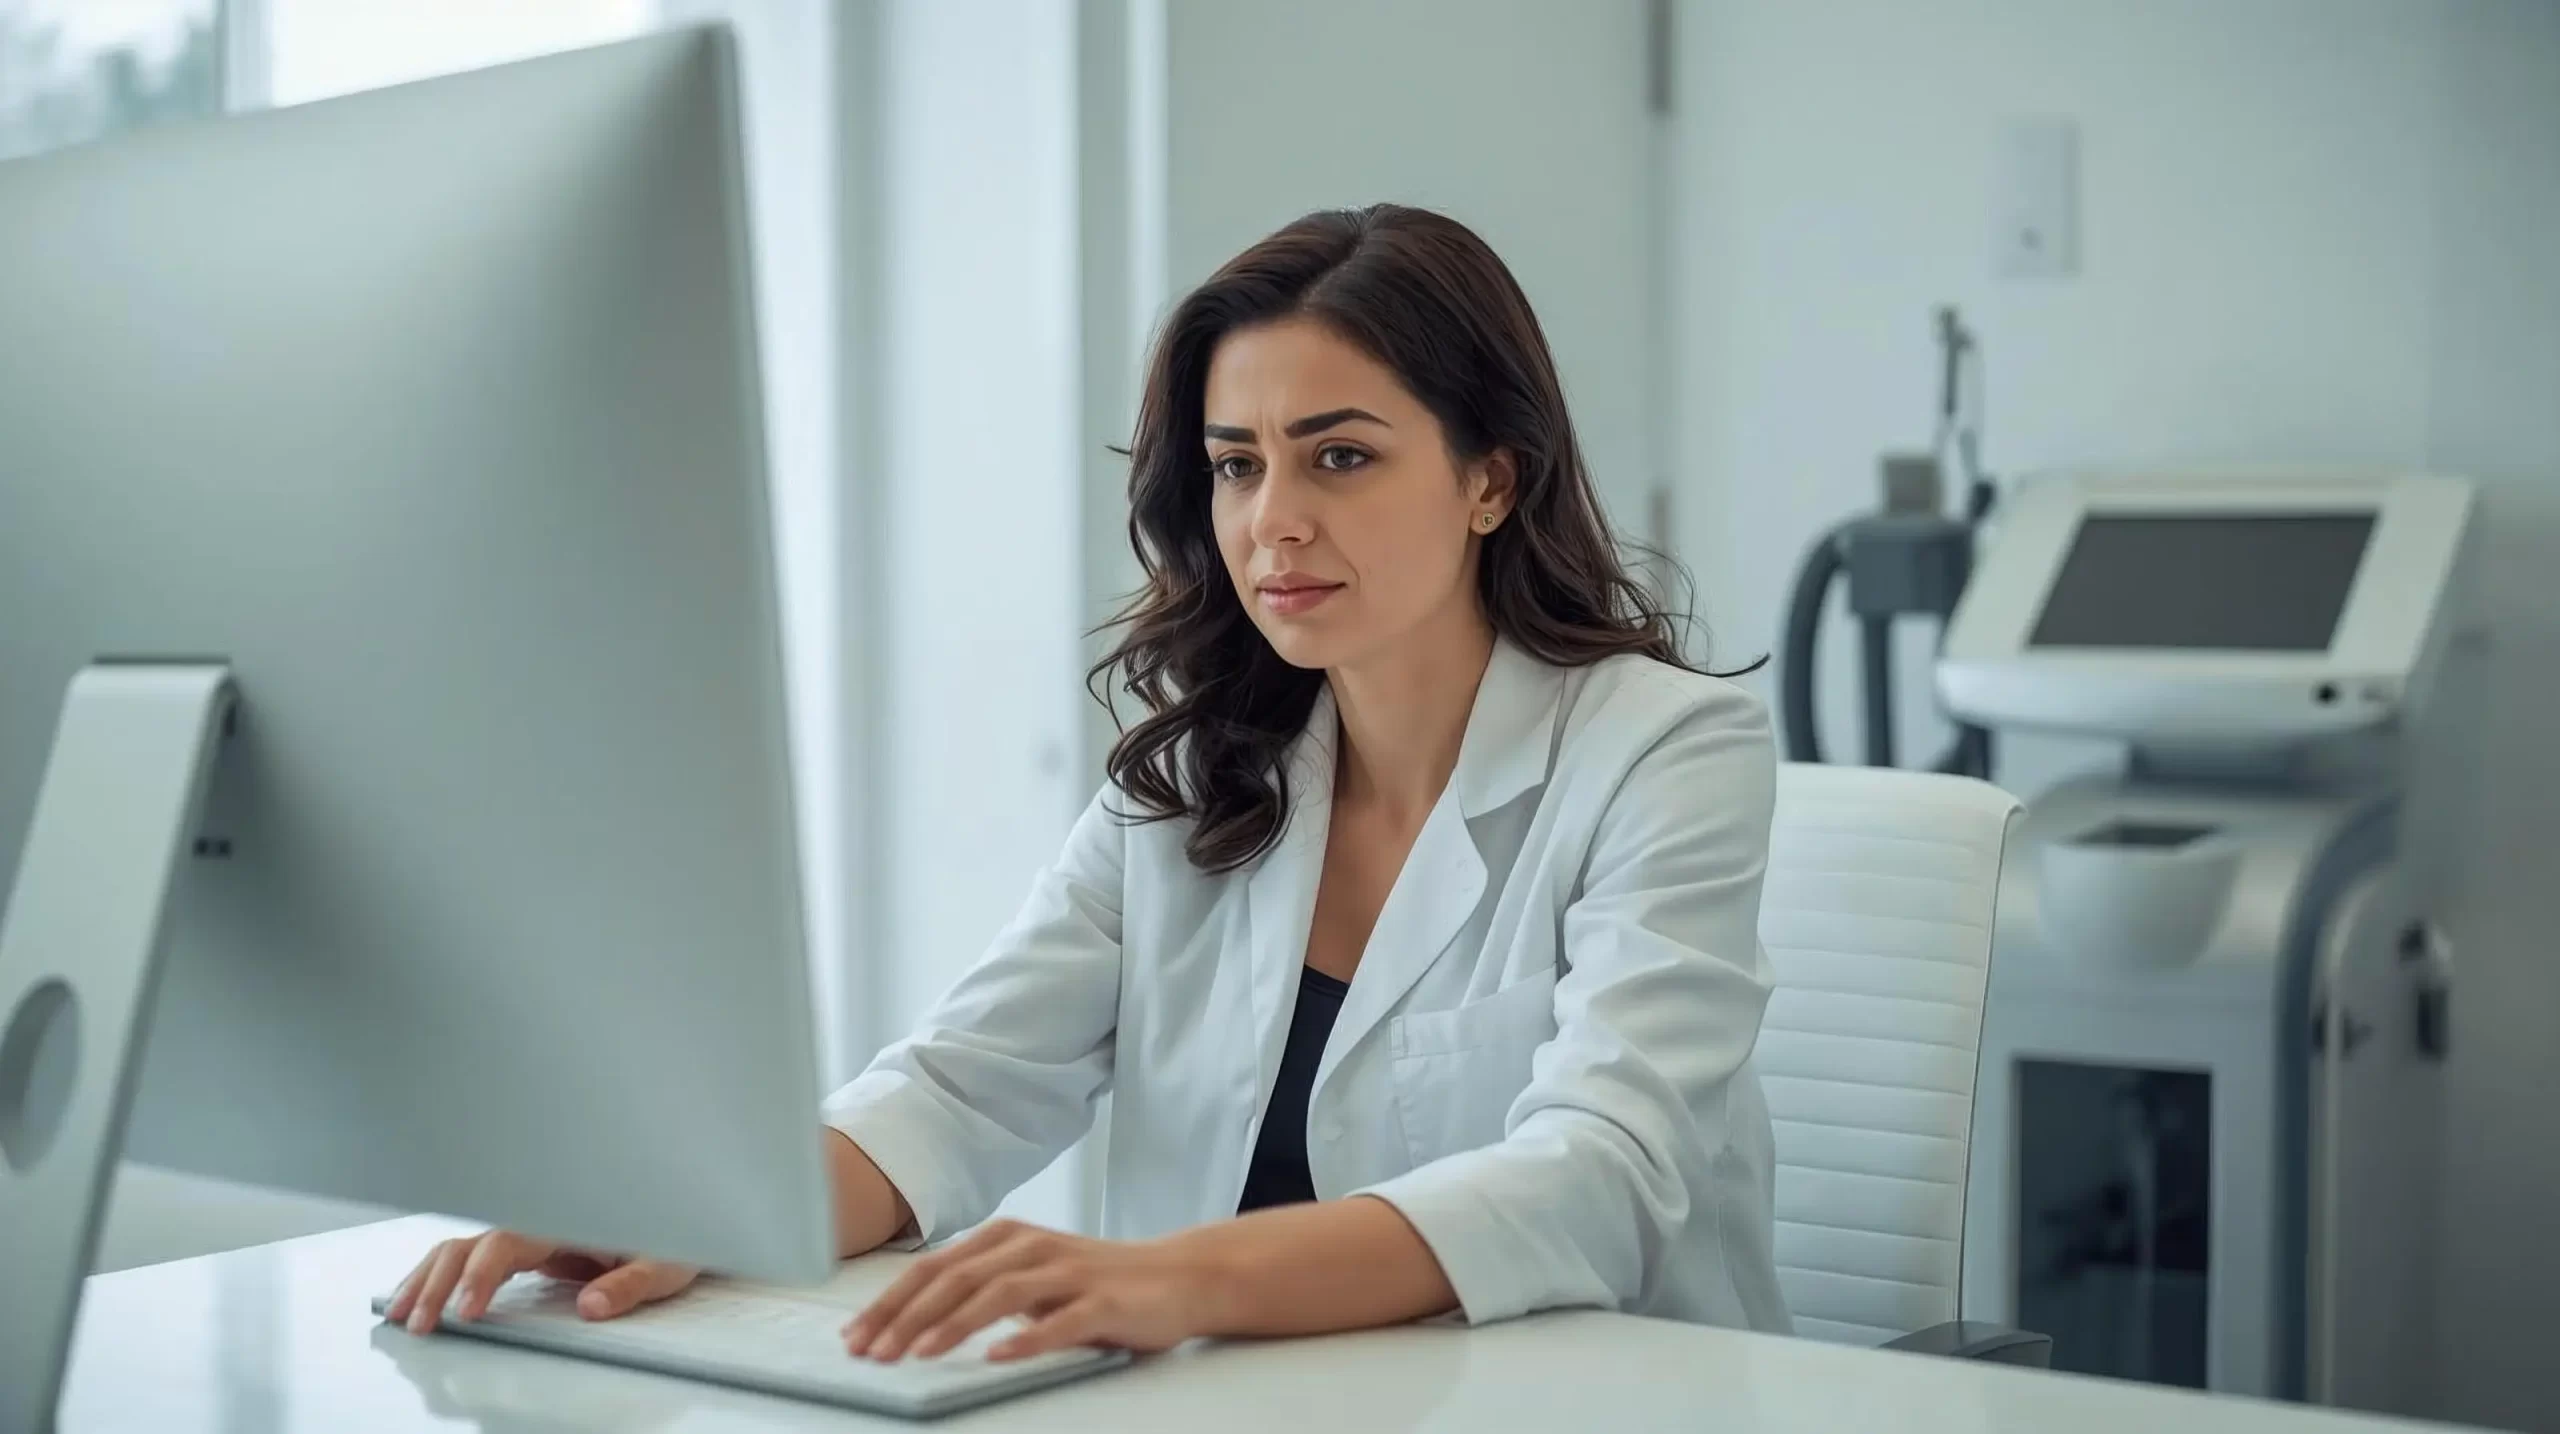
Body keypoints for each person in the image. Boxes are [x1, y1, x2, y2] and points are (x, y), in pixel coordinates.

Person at [388, 203, 1792, 1362]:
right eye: (1236, 465)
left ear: (1493, 478)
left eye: (1341, 456)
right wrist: (703, 1212)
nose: (1272, 521)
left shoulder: (1662, 752)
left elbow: (1602, 1178)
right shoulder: (1199, 774)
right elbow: (956, 1090)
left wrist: (1177, 1278)